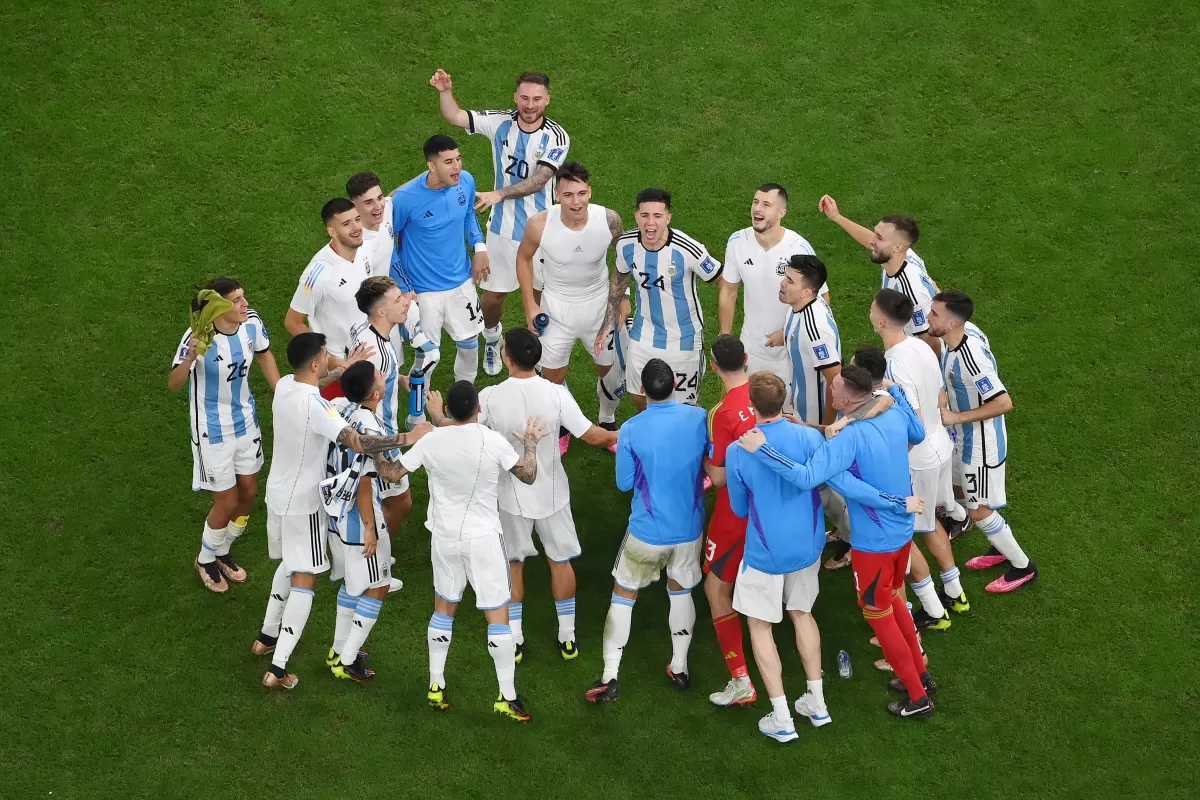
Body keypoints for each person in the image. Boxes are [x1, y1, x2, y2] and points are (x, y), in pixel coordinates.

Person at [739, 367, 939, 719]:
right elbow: (917, 431)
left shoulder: (848, 440)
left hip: (874, 541)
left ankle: (917, 695)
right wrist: (895, 392)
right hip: (902, 533)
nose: (830, 393)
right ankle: (920, 673)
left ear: (848, 399)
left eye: (834, 390)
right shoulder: (890, 412)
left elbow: (806, 477)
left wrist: (764, 449)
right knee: (894, 601)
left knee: (880, 616)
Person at [253, 333, 427, 690]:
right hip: (305, 503)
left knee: (289, 563)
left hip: (277, 494)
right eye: (326, 354)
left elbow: (320, 391)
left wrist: (341, 372)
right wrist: (410, 438)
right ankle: (278, 667)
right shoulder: (318, 408)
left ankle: (267, 636)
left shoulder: (286, 386)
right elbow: (360, 443)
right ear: (315, 363)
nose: (331, 357)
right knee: (305, 578)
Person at [449, 327, 617, 663]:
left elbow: (465, 433)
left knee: (513, 565)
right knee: (560, 561)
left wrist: (436, 419)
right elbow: (596, 437)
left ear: (508, 359)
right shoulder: (556, 395)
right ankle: (567, 637)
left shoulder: (491, 396)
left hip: (509, 497)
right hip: (553, 495)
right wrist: (638, 428)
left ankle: (516, 639)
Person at [399, 381, 549, 722]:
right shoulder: (491, 440)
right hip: (482, 538)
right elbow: (527, 475)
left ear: (448, 411)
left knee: (444, 607)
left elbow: (393, 473)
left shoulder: (431, 440)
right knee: (497, 613)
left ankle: (436, 686)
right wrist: (530, 443)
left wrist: (383, 443)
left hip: (444, 537)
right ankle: (506, 697)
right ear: (478, 410)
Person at [430, 68, 572, 376]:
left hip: (540, 233)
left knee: (536, 298)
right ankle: (493, 339)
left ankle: (531, 357)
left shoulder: (556, 136)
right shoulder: (500, 122)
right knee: (493, 297)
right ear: (515, 97)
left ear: (547, 100)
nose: (530, 104)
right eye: (524, 97)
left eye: (537, 99)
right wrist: (445, 91)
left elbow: (540, 179)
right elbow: (455, 116)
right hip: (501, 231)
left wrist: (500, 193)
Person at [585, 359, 708, 703]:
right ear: (675, 386)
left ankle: (610, 675)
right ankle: (680, 666)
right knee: (680, 591)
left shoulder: (632, 429)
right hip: (689, 529)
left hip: (647, 532)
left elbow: (624, 483)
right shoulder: (699, 419)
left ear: (643, 390)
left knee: (624, 593)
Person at [169, 278, 279, 593]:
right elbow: (174, 383)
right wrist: (191, 357)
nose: (246, 304)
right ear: (219, 307)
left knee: (248, 492)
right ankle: (205, 559)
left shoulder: (251, 324)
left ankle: (223, 550)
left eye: (244, 297)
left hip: (246, 422)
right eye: (237, 300)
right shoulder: (198, 337)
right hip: (212, 431)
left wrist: (280, 390)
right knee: (227, 499)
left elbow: (265, 354)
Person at [871, 289, 968, 630]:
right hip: (941, 447)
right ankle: (955, 593)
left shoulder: (894, 363)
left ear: (881, 320)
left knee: (904, 536)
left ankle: (932, 609)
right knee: (930, 525)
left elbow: (909, 422)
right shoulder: (922, 345)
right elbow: (940, 393)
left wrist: (893, 463)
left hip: (918, 459)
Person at [930, 290, 1038, 592]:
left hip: (980, 446)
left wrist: (955, 417)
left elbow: (1003, 402)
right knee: (966, 497)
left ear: (952, 323)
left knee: (979, 509)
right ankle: (1000, 546)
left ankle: (1023, 566)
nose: (927, 318)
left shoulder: (971, 357)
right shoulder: (956, 340)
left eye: (935, 314)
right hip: (963, 440)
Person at [516, 161, 624, 454]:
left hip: (599, 307)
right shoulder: (539, 224)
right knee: (553, 377)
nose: (575, 201)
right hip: (556, 309)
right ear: (556, 195)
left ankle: (607, 419)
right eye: (567, 195)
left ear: (590, 191)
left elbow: (625, 261)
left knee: (610, 369)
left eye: (580, 193)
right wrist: (530, 305)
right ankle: (564, 424)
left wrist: (621, 299)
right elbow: (523, 259)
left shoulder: (610, 220)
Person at [596, 189, 722, 409]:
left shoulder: (688, 249)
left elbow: (723, 281)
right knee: (639, 395)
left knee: (685, 405)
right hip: (643, 334)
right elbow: (619, 278)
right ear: (636, 216)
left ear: (668, 218)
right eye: (645, 215)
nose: (650, 223)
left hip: (684, 339)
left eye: (657, 216)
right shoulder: (626, 245)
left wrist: (725, 328)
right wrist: (609, 319)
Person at [350, 276, 428, 592]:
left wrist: (399, 378)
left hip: (375, 430)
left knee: (383, 498)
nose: (406, 302)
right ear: (381, 312)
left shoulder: (369, 334)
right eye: (398, 300)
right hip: (380, 437)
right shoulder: (376, 354)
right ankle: (373, 560)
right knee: (400, 502)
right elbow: (364, 394)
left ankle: (371, 550)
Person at [390, 135, 488, 384]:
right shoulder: (404, 199)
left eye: (458, 159)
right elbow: (387, 242)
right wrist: (403, 287)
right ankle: (417, 415)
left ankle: (463, 404)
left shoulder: (465, 182)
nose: (457, 167)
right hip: (424, 293)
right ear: (431, 166)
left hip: (462, 281)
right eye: (448, 162)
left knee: (470, 347)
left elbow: (468, 215)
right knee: (427, 358)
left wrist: (479, 247)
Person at [323, 361, 398, 682]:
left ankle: (338, 649)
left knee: (353, 585)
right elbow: (368, 480)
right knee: (378, 585)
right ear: (377, 392)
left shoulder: (340, 407)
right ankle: (347, 660)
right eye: (378, 376)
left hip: (336, 515)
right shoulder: (371, 427)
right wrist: (370, 527)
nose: (383, 375)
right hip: (359, 519)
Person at [719, 184, 830, 388]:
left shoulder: (798, 248)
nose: (757, 209)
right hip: (750, 346)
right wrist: (725, 336)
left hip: (788, 350)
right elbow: (728, 291)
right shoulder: (737, 242)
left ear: (781, 213)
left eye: (766, 204)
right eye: (755, 202)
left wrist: (787, 331)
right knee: (750, 410)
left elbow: (821, 301)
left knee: (789, 413)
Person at [699, 335, 757, 707]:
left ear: (714, 366)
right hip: (775, 510)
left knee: (716, 589)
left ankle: (741, 680)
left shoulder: (721, 413)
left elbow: (717, 478)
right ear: (747, 359)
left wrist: (701, 462)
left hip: (735, 513)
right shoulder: (768, 392)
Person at [816, 195, 942, 354]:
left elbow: (931, 340)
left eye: (879, 238)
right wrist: (837, 217)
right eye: (876, 233)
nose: (871, 241)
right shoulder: (902, 256)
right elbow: (872, 241)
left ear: (897, 247)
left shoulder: (910, 290)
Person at [347, 171, 440, 381]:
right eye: (369, 202)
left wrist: (431, 173)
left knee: (397, 365)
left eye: (378, 198)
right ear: (354, 206)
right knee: (376, 377)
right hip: (370, 314)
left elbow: (396, 194)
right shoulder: (358, 245)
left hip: (388, 299)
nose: (378, 206)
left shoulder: (386, 209)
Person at [285, 198, 376, 398]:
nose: (356, 228)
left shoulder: (364, 250)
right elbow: (293, 322)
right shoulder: (317, 273)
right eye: (346, 224)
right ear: (331, 231)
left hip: (367, 357)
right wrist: (335, 362)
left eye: (357, 219)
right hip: (339, 370)